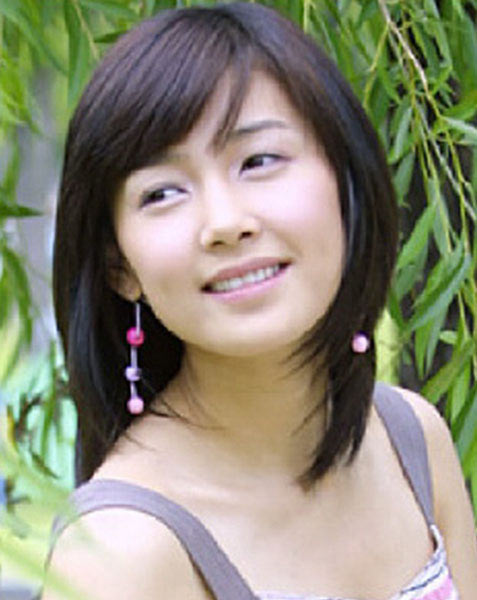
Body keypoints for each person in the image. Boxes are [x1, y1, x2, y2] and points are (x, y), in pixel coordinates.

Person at [41, 3, 477, 599]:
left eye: (259, 161)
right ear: (120, 266)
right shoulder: (121, 552)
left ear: (346, 185)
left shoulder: (411, 441)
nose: (225, 223)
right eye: (163, 193)